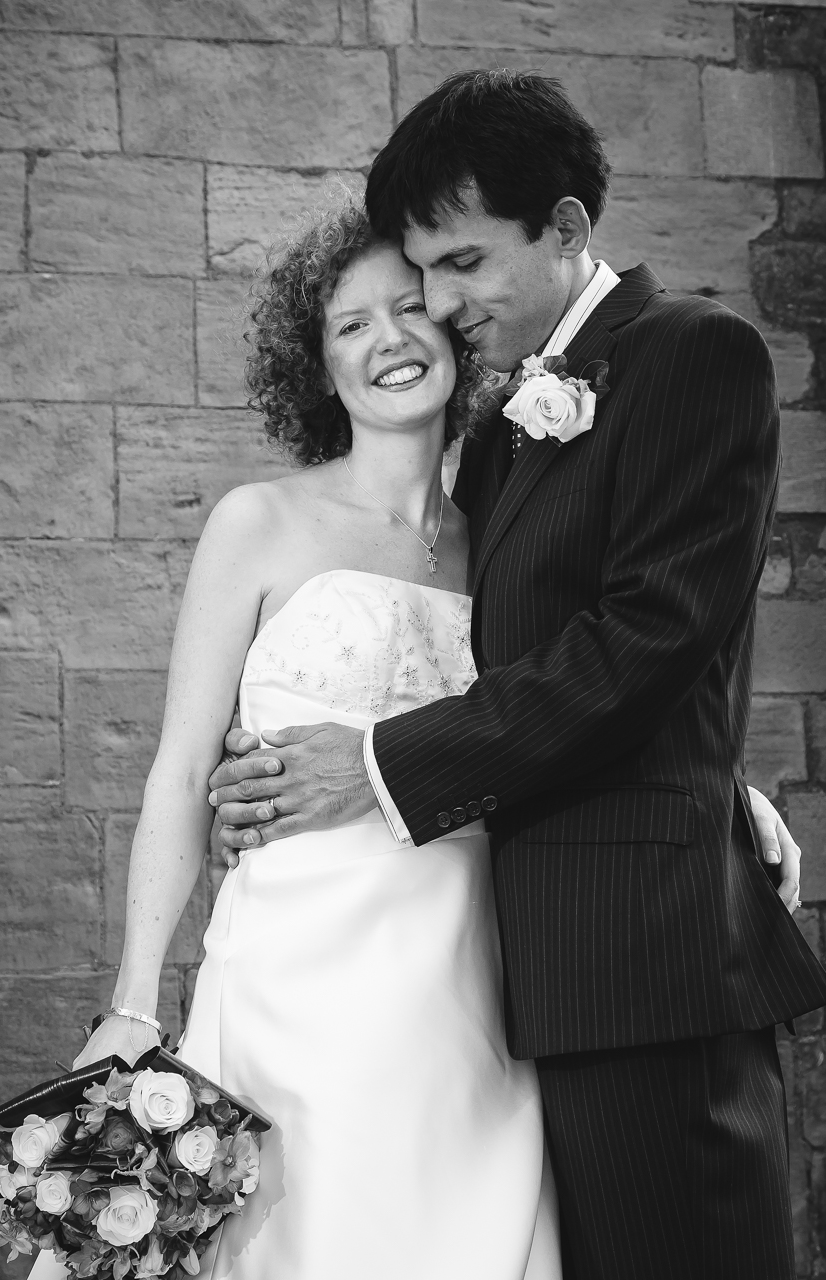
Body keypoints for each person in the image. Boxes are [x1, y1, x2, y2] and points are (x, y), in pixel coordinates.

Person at [208, 72, 826, 1280]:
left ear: (567, 227)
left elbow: (651, 634)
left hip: (643, 959)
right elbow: (516, 653)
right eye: (422, 272)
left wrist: (374, 763)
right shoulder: (499, 434)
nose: (441, 305)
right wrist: (726, 776)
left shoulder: (695, 353)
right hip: (507, 975)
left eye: (463, 264)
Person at [70, 199, 558, 1278]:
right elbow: (182, 771)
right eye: (351, 324)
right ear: (320, 367)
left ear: (452, 326)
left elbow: (577, 701)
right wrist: (134, 1004)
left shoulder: (505, 544)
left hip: (472, 987)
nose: (390, 339)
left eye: (409, 308)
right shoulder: (259, 523)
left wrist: (728, 796)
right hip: (294, 985)